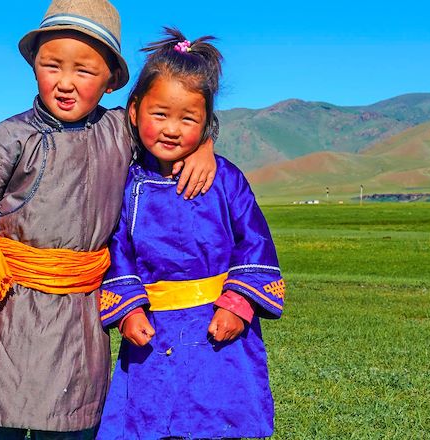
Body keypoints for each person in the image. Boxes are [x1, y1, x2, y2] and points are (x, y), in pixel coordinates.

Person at [0, 1, 218, 437]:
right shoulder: (8, 137)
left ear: (111, 83)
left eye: (83, 71)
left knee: (72, 418)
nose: (65, 83)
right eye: (52, 66)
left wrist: (205, 144)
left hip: (82, 308)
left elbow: (170, 125)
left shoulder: (121, 132)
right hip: (6, 305)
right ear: (34, 67)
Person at [96, 28, 286, 439]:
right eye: (160, 114)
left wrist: (238, 305)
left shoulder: (226, 180)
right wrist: (127, 309)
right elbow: (118, 249)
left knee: (217, 422)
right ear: (134, 111)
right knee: (150, 421)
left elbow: (254, 243)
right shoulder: (127, 186)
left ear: (206, 123)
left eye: (189, 119)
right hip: (153, 332)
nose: (171, 129)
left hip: (220, 334)